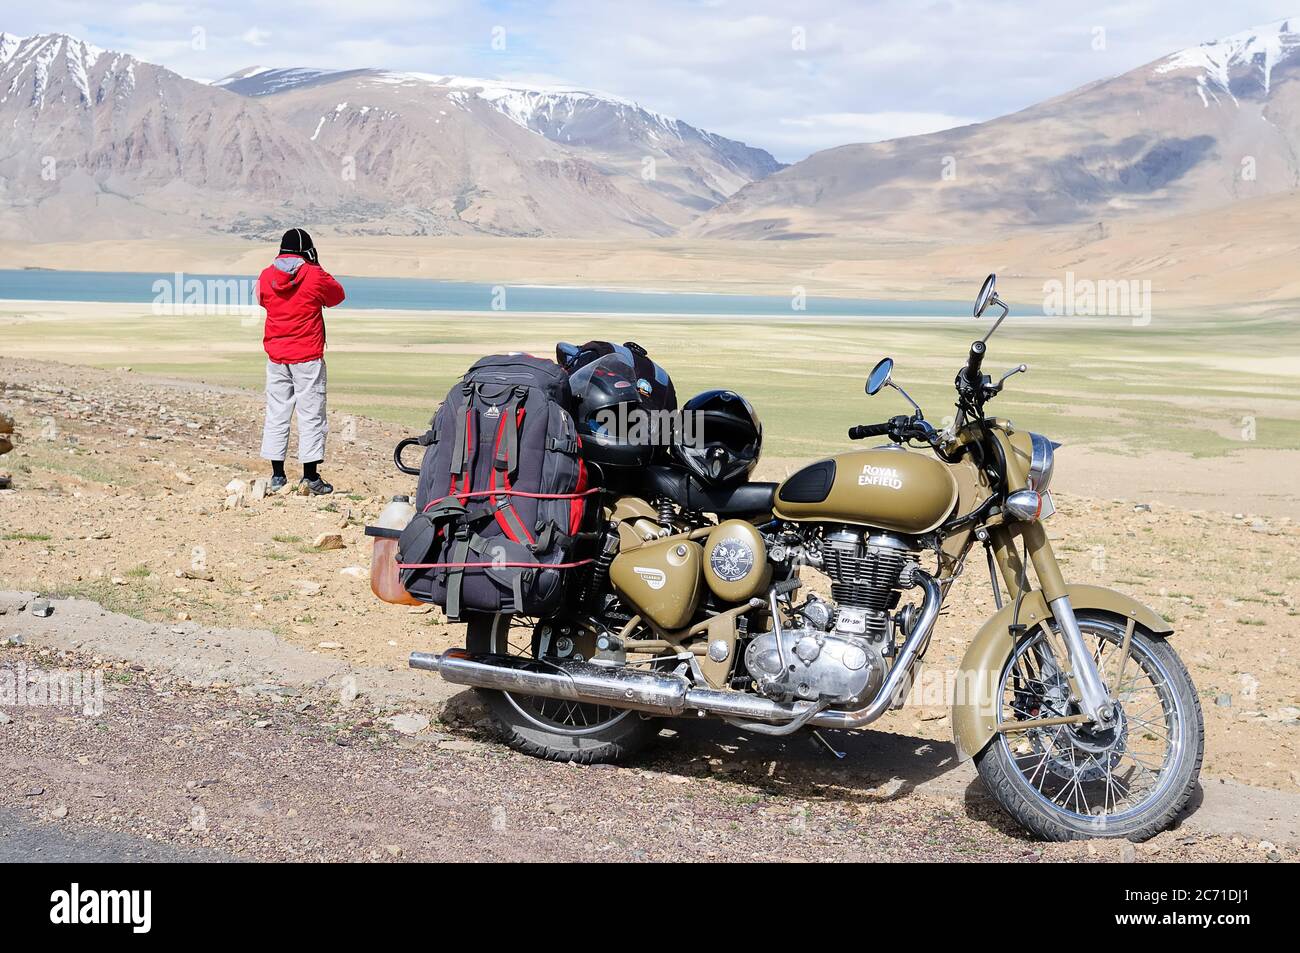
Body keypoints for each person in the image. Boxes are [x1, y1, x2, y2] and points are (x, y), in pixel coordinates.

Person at [257, 228, 346, 494]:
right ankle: (310, 477)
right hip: (307, 355)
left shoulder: (266, 276)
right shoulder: (314, 274)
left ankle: (277, 476)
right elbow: (337, 296)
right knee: (311, 414)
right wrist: (316, 265)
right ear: (307, 251)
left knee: (277, 412)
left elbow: (263, 300)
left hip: (276, 354)